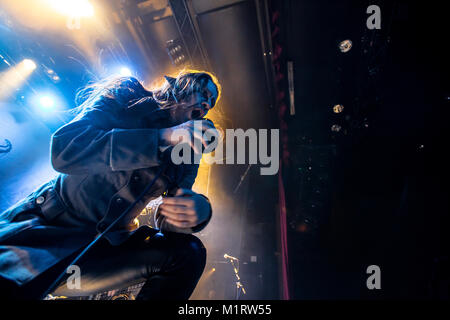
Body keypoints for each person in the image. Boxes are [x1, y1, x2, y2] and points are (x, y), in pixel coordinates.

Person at [0, 70, 221, 300]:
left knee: (188, 254)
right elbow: (65, 149)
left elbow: (168, 221)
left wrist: (196, 212)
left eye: (211, 103)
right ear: (183, 84)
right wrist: (162, 137)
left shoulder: (188, 153)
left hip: (102, 248)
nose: (207, 104)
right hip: (47, 228)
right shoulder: (128, 93)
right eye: (204, 93)